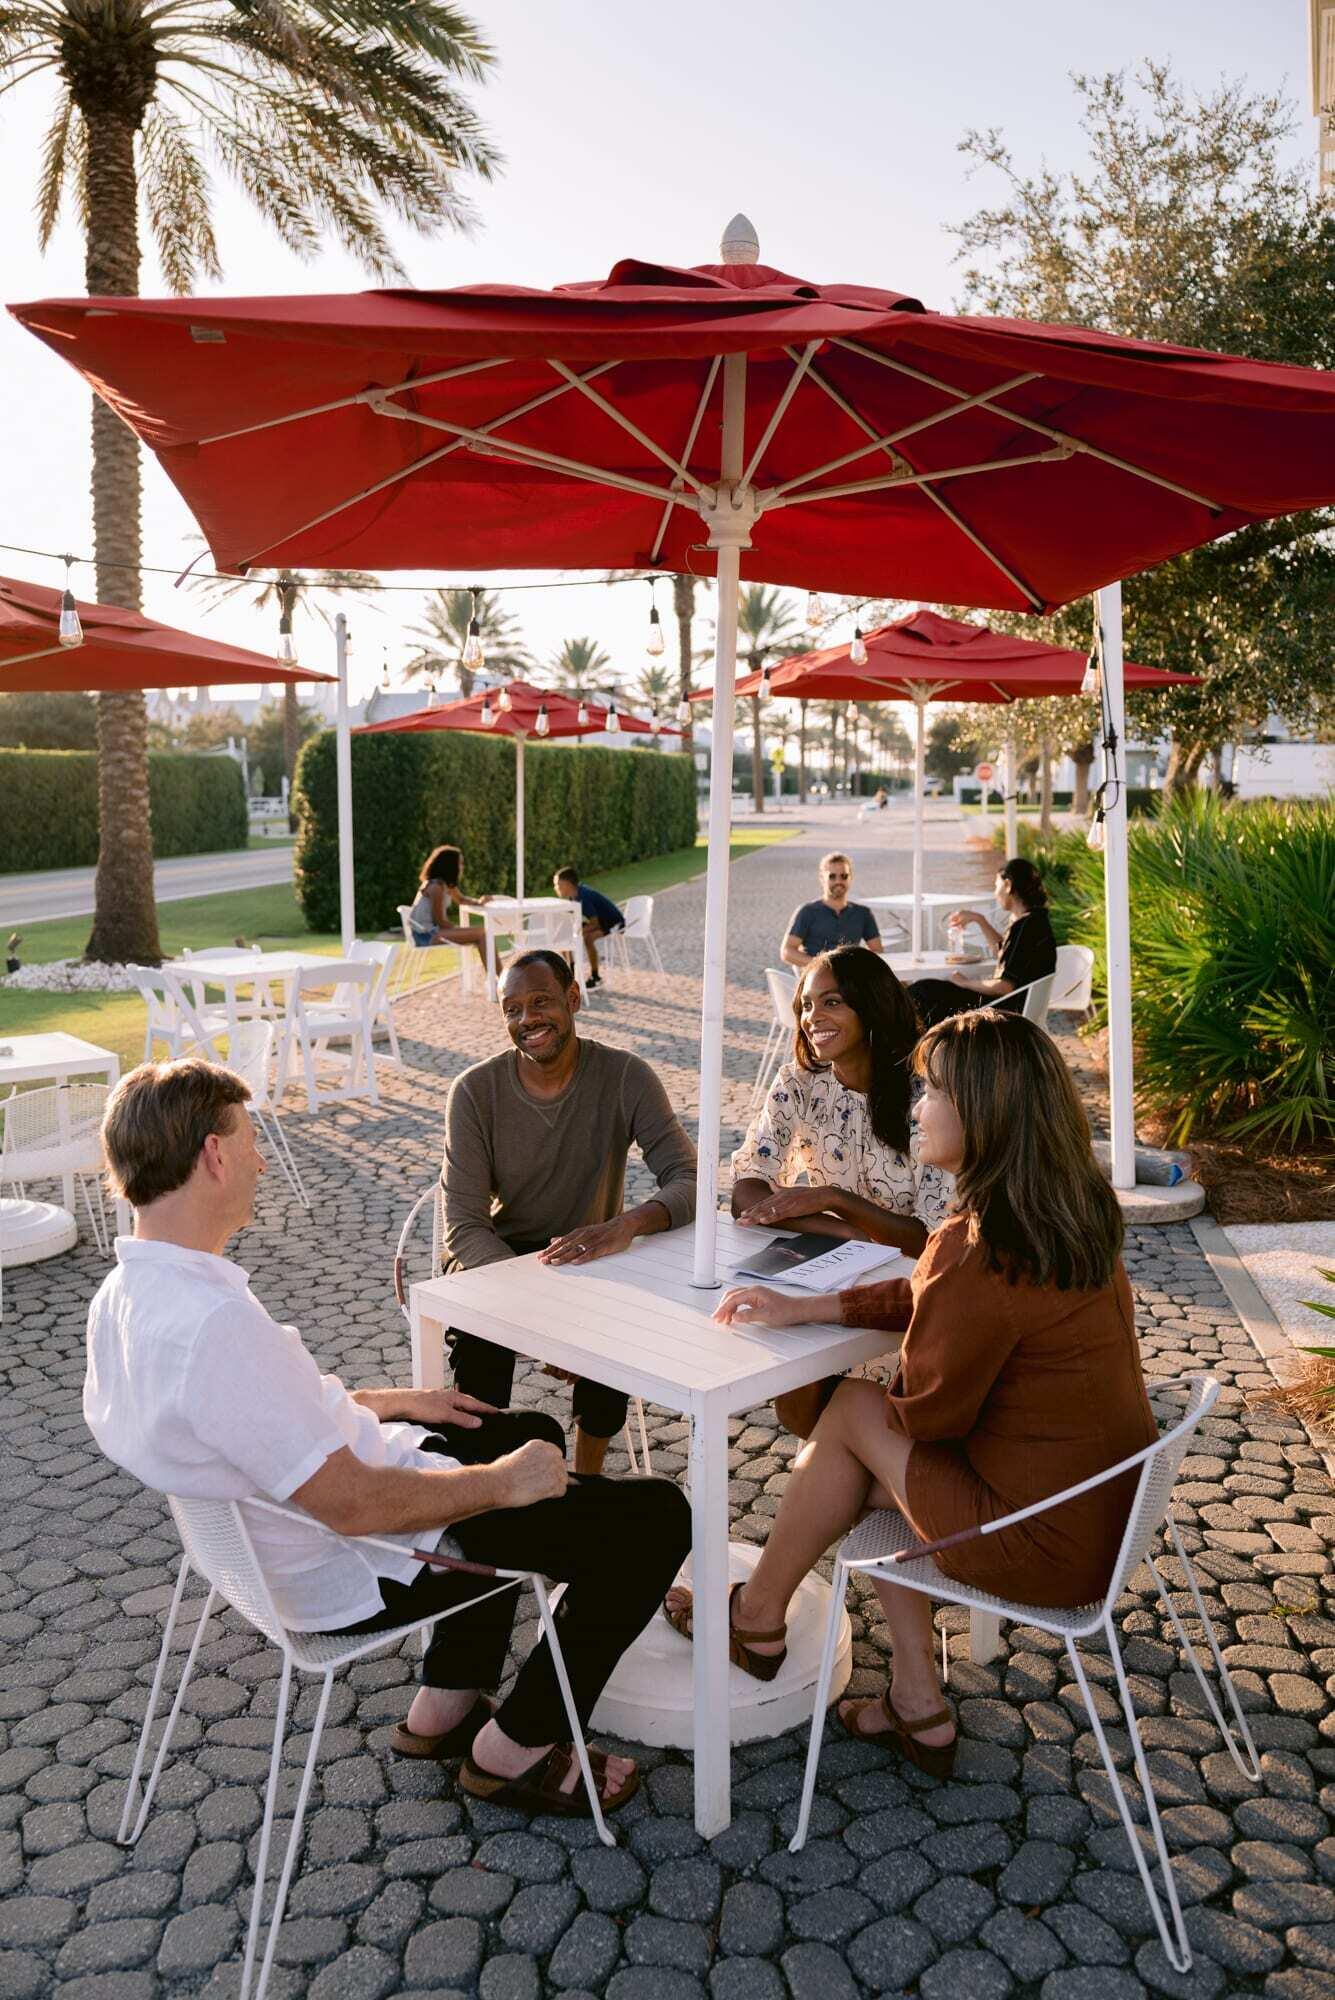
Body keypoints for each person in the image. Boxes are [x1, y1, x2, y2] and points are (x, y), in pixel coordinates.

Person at [84, 1058, 689, 1818]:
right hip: (360, 1559)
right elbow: (355, 1504)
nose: (260, 1160)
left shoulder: (130, 1293)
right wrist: (503, 1484)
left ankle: (442, 1708)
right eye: (247, 1143)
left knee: (515, 1423)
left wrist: (392, 1401)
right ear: (211, 1155)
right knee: (658, 1516)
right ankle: (513, 1750)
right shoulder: (214, 1326)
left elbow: (238, 1415)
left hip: (280, 1539)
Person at [665, 1008, 1155, 1778]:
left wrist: (873, 1370)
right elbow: (939, 1296)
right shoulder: (1064, 1214)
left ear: (985, 1113)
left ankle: (758, 1618)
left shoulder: (979, 1242)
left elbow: (925, 1415)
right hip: (1101, 1517)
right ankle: (911, 1698)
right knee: (855, 1449)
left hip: (1039, 1543)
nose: (916, 1106)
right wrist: (815, 1307)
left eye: (931, 1092)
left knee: (854, 1414)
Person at [442, 949, 697, 1474]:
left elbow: (689, 1179)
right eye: (511, 1009)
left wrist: (626, 1225)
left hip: (589, 1253)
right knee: (478, 1336)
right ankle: (487, 1484)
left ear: (574, 998)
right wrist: (547, 1314)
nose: (526, 1019)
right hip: (500, 1256)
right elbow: (464, 1226)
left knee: (617, 1314)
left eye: (540, 1002)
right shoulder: (472, 1092)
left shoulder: (626, 1076)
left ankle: (586, 1478)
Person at [731, 946, 953, 1432]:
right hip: (830, 1271)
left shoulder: (929, 1094)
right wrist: (840, 1231)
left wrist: (835, 1199)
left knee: (844, 1401)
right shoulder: (798, 1082)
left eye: (832, 1002)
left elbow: (929, 1239)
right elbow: (746, 1192)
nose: (814, 1018)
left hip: (918, 1291)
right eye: (807, 1005)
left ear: (870, 1005)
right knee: (796, 1398)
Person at [909, 857, 1057, 1027]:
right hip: (1015, 1004)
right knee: (930, 991)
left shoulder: (1025, 926)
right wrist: (979, 920)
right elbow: (1005, 954)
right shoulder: (1036, 921)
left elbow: (1003, 987)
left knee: (923, 992)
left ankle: (922, 1048)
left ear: (1008, 885)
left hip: (1003, 1010)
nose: (995, 893)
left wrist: (965, 983)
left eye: (996, 886)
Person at [781, 852, 883, 969]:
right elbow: (787, 952)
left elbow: (877, 951)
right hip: (817, 979)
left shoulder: (863, 913)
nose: (838, 881)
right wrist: (823, 966)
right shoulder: (807, 912)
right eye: (832, 876)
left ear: (851, 878)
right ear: (822, 879)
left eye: (844, 876)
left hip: (850, 978)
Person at [406, 844, 491, 966]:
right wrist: (460, 930)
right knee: (482, 934)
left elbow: (461, 899)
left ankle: (498, 979)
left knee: (482, 934)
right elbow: (440, 921)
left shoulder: (446, 885)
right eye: (460, 863)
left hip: (429, 932)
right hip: (425, 936)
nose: (462, 867)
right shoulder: (436, 887)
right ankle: (501, 980)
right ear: (449, 866)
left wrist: (479, 902)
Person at [552, 865, 624, 989]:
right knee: (564, 934)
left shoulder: (583, 896)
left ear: (568, 884)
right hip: (599, 921)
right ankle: (570, 973)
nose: (556, 888)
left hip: (612, 922)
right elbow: (571, 920)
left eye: (558, 884)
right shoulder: (573, 895)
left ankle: (595, 977)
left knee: (587, 938)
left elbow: (594, 923)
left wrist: (577, 933)